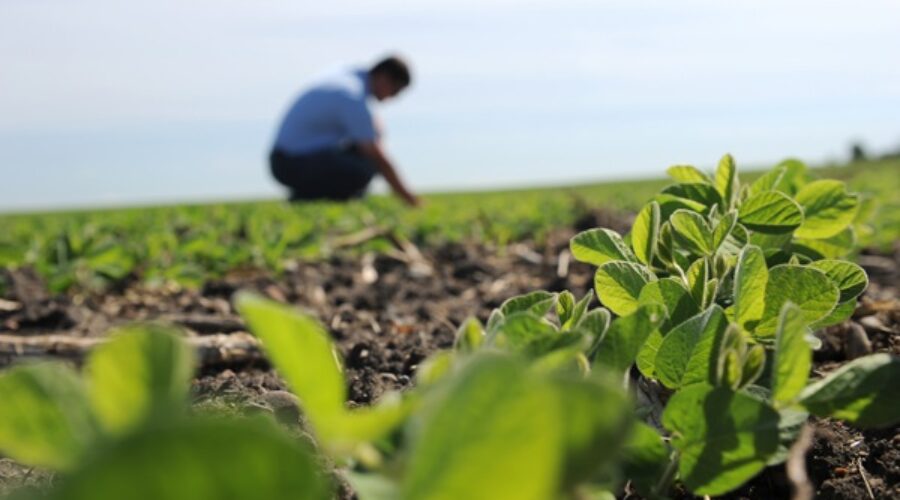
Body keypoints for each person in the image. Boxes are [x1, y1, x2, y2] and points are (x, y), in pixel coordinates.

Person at [269, 56, 419, 206]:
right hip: (291, 163)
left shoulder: (348, 79)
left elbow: (370, 126)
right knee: (365, 166)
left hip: (287, 159)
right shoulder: (353, 96)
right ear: (384, 78)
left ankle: (309, 196)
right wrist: (408, 197)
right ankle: (306, 198)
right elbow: (376, 155)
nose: (391, 98)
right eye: (394, 91)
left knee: (359, 155)